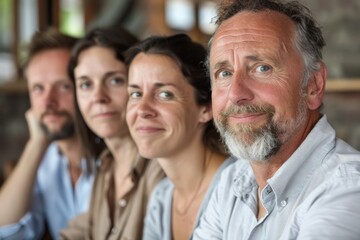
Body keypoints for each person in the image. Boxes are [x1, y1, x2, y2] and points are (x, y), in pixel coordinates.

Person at [192, 0, 360, 239]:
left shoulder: (348, 189)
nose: (236, 94)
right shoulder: (233, 180)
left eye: (262, 68)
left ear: (313, 85)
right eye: (225, 73)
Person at [125, 34, 235, 240]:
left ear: (206, 108)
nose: (142, 109)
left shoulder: (237, 188)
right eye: (135, 94)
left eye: (165, 94)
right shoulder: (162, 198)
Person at [59, 27, 165, 240]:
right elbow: (80, 231)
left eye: (115, 80)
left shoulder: (163, 168)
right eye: (86, 84)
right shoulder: (106, 166)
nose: (98, 96)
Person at [0, 29, 94, 239]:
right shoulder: (48, 161)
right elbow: (5, 230)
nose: (48, 102)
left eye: (63, 86)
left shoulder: (116, 156)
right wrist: (36, 144)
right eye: (38, 88)